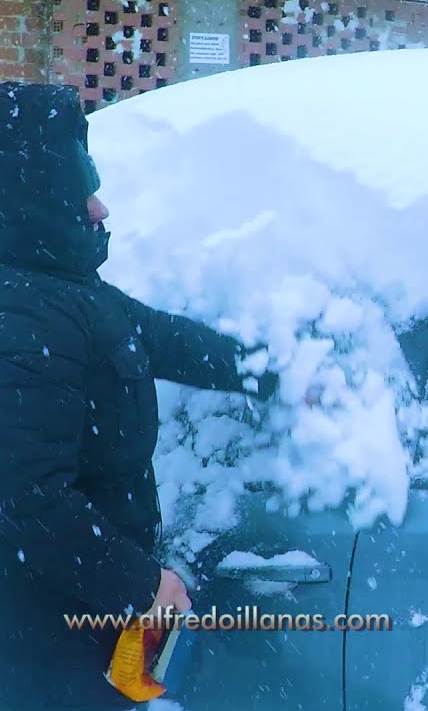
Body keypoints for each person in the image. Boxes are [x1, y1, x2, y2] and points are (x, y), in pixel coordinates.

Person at [0, 82, 283, 709]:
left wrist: (272, 372)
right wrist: (141, 585)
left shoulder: (66, 292)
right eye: (81, 189)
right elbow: (26, 499)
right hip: (46, 641)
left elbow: (161, 338)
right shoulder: (22, 313)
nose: (99, 207)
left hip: (79, 622)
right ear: (32, 197)